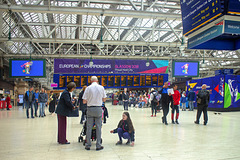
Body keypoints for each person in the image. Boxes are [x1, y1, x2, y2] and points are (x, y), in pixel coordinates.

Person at [83, 76, 107, 151]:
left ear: (91, 81)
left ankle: (88, 145)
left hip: (90, 109)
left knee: (89, 127)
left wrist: (90, 100)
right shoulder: (101, 88)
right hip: (98, 108)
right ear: (97, 81)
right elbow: (104, 99)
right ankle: (98, 145)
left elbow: (84, 101)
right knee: (98, 127)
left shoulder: (88, 88)